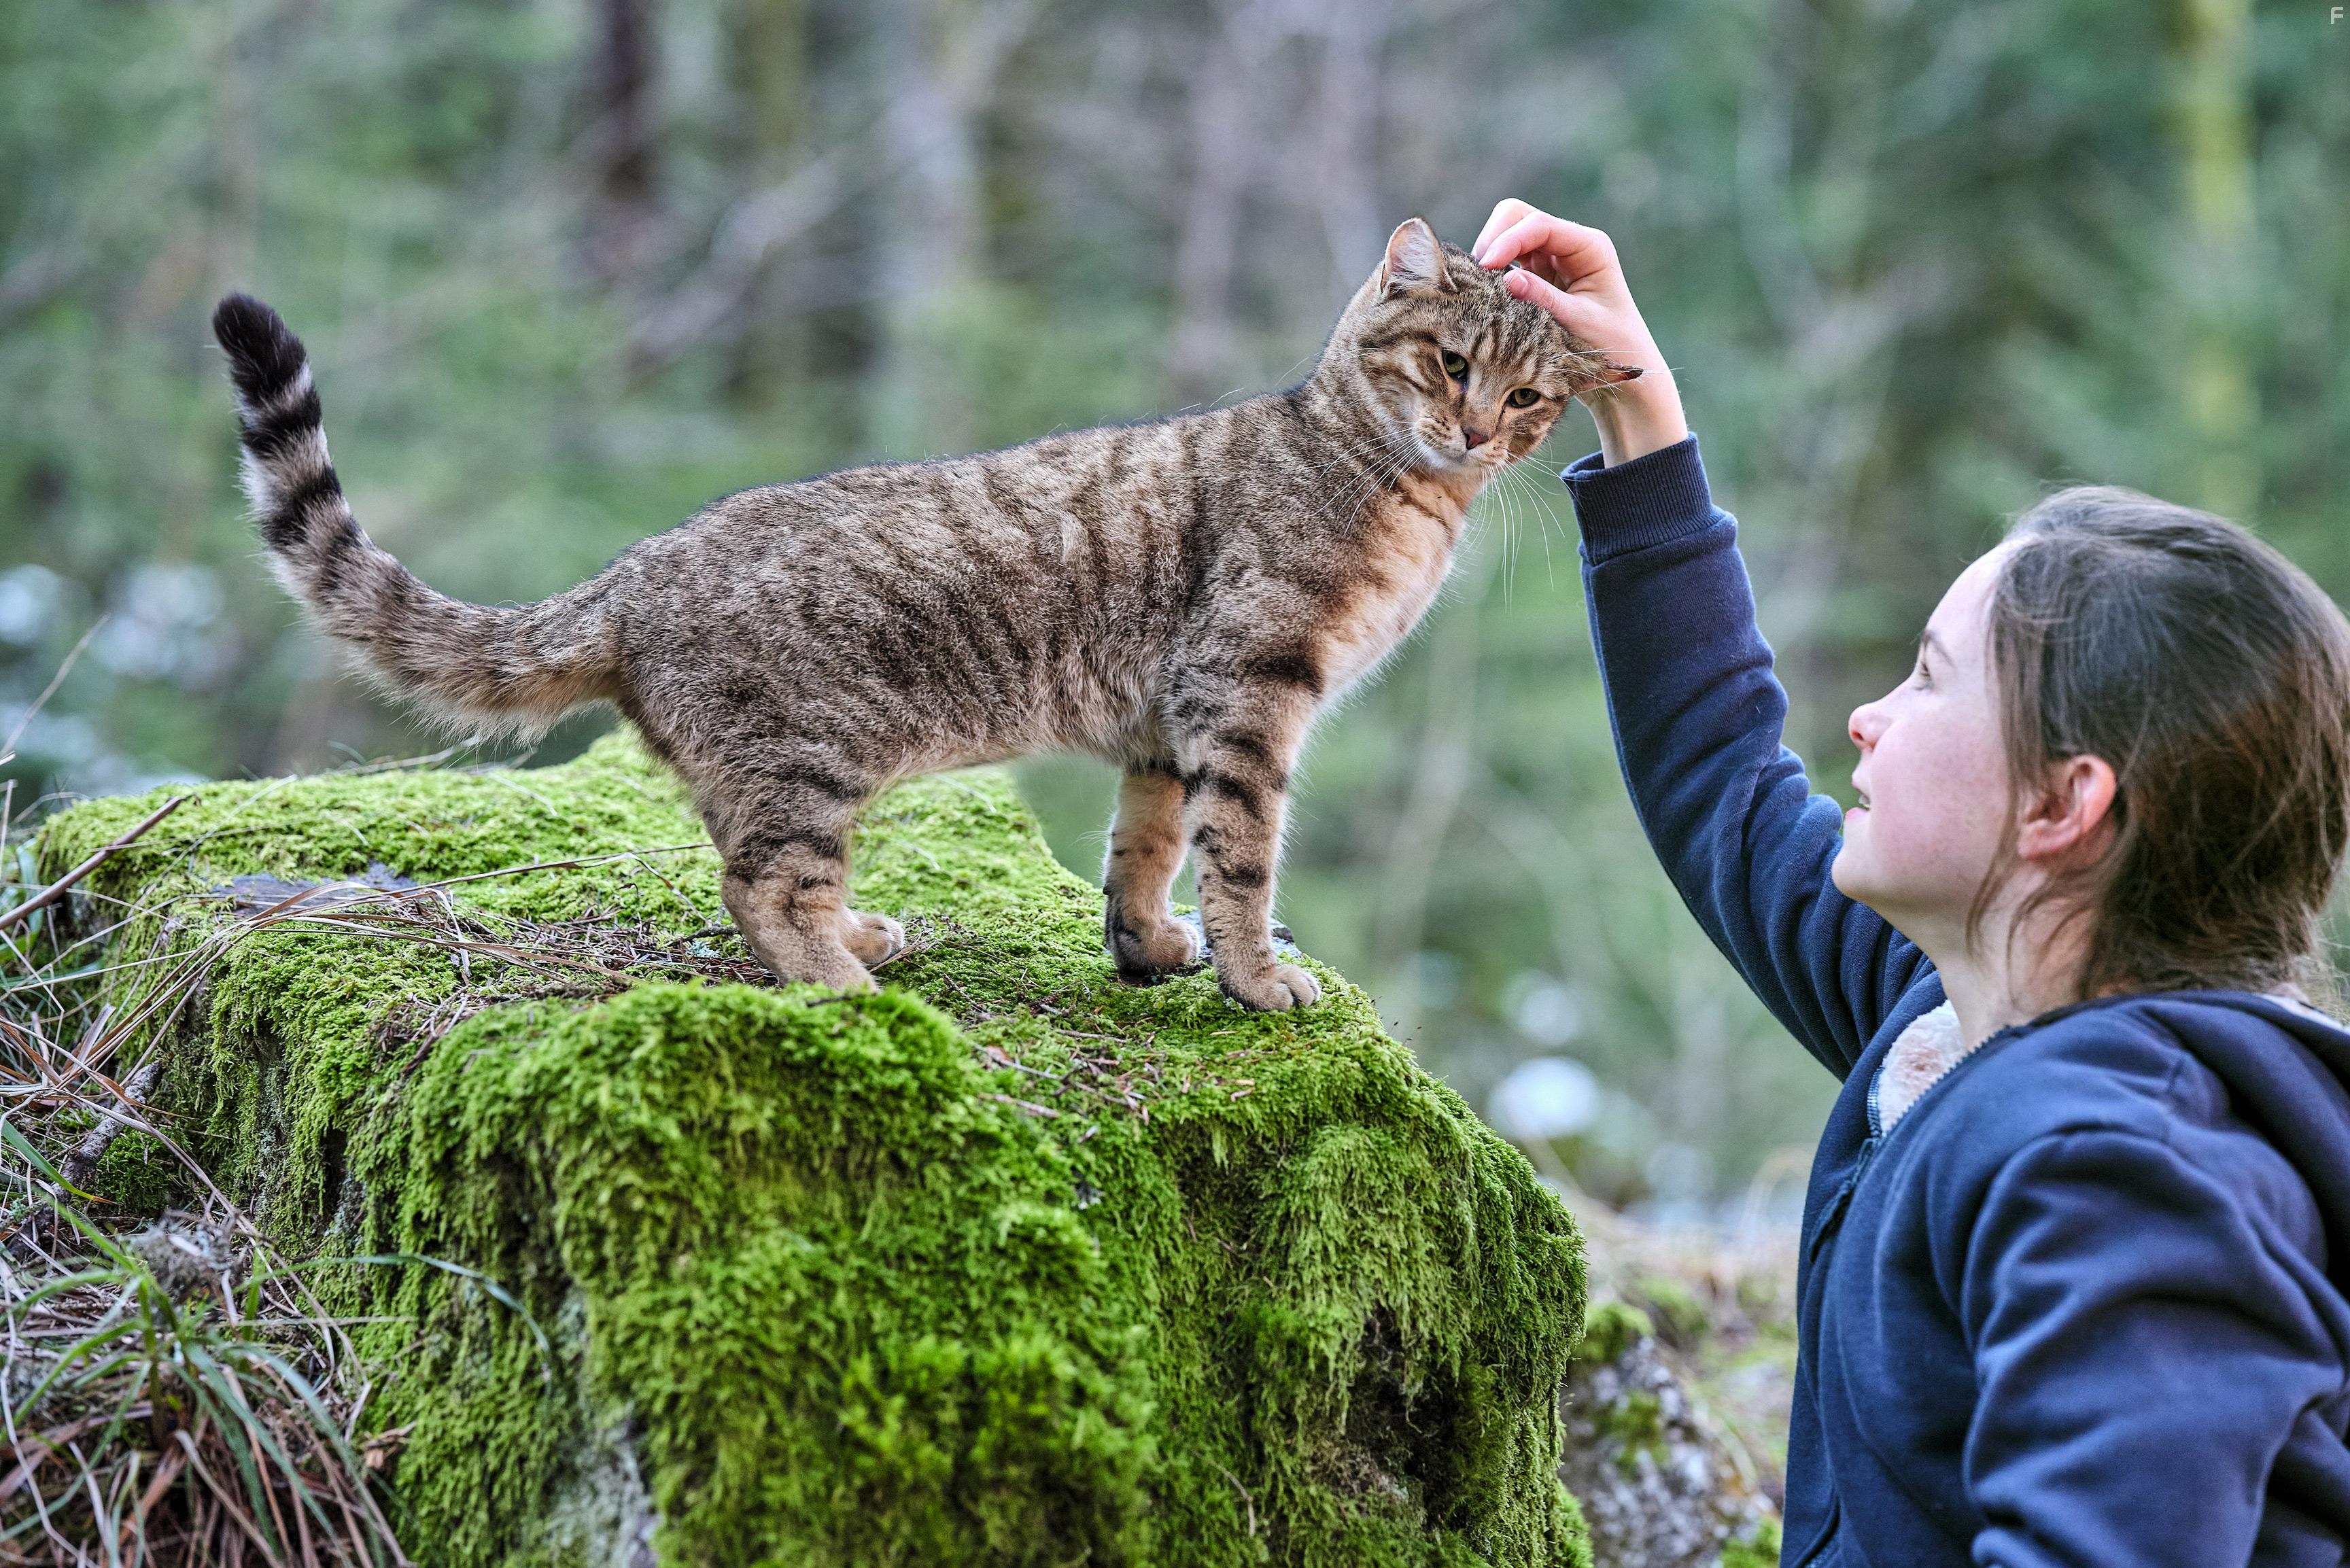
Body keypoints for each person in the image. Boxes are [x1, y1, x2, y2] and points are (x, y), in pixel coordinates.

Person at [1471, 196, 2350, 1566]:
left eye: (1930, 680)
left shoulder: (2124, 1171)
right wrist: (1635, 411)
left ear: (2063, 805)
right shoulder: (1959, 1018)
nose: (1869, 718)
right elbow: (1720, 780)